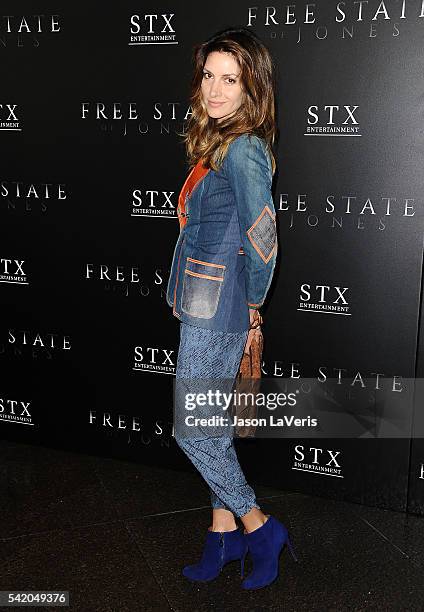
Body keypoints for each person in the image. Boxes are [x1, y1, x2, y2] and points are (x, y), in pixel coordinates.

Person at [166, 26, 297, 590]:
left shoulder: (243, 149)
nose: (215, 90)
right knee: (212, 427)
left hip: (218, 309)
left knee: (194, 431)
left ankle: (258, 525)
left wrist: (250, 307)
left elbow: (262, 237)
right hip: (202, 301)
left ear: (251, 90)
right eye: (208, 76)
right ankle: (221, 535)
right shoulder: (216, 142)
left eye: (230, 79)